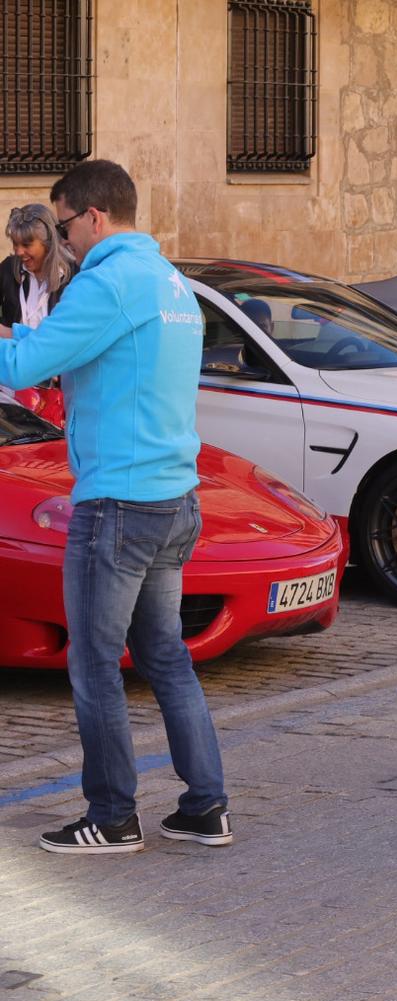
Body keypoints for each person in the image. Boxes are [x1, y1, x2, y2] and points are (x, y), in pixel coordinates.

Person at [0, 160, 231, 855]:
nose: (61, 239)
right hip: (171, 498)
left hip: (118, 505)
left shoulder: (106, 284)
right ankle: (204, 807)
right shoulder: (170, 282)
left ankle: (112, 815)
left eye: (64, 224)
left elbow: (21, 369)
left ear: (93, 218)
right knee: (165, 656)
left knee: (95, 664)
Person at [2, 203, 76, 330]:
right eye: (15, 243)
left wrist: (8, 334)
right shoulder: (9, 267)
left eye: (26, 244)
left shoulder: (75, 274)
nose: (18, 252)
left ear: (49, 243)